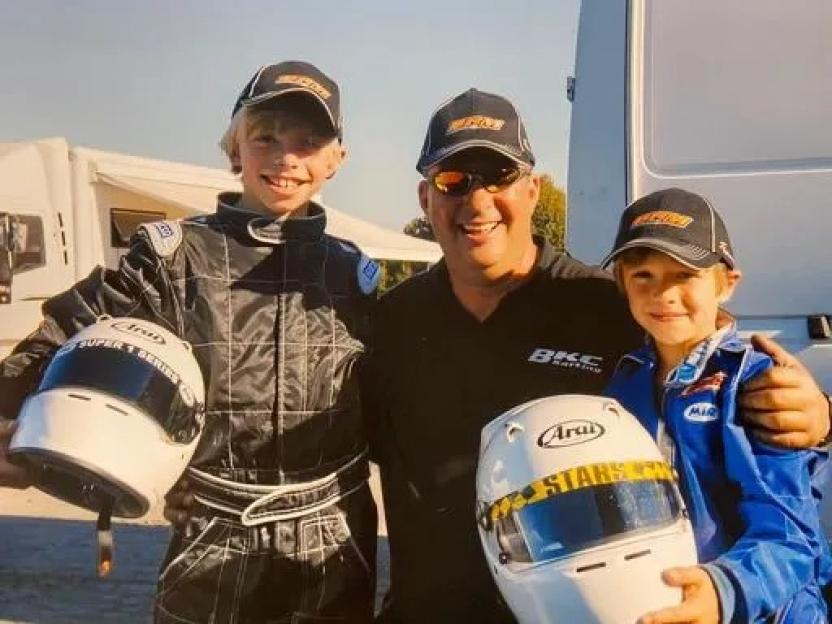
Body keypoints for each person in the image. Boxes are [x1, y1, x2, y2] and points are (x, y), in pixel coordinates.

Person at [367, 88, 832, 623]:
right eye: (454, 181)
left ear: (532, 191)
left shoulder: (608, 306)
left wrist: (817, 415)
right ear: (425, 198)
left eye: (499, 177)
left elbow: (707, 369)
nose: (477, 201)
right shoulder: (391, 319)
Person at [0, 61, 378, 624]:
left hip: (335, 538)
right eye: (265, 137)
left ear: (335, 160)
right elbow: (66, 330)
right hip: (212, 533)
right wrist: (12, 408)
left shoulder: (353, 275)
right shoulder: (174, 257)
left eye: (308, 142)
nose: (285, 158)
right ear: (234, 147)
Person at [602, 187, 831, 623]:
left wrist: (723, 590)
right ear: (621, 283)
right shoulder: (622, 384)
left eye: (684, 275)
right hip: (669, 605)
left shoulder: (758, 383)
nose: (663, 294)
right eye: (643, 276)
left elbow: (791, 535)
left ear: (726, 283)